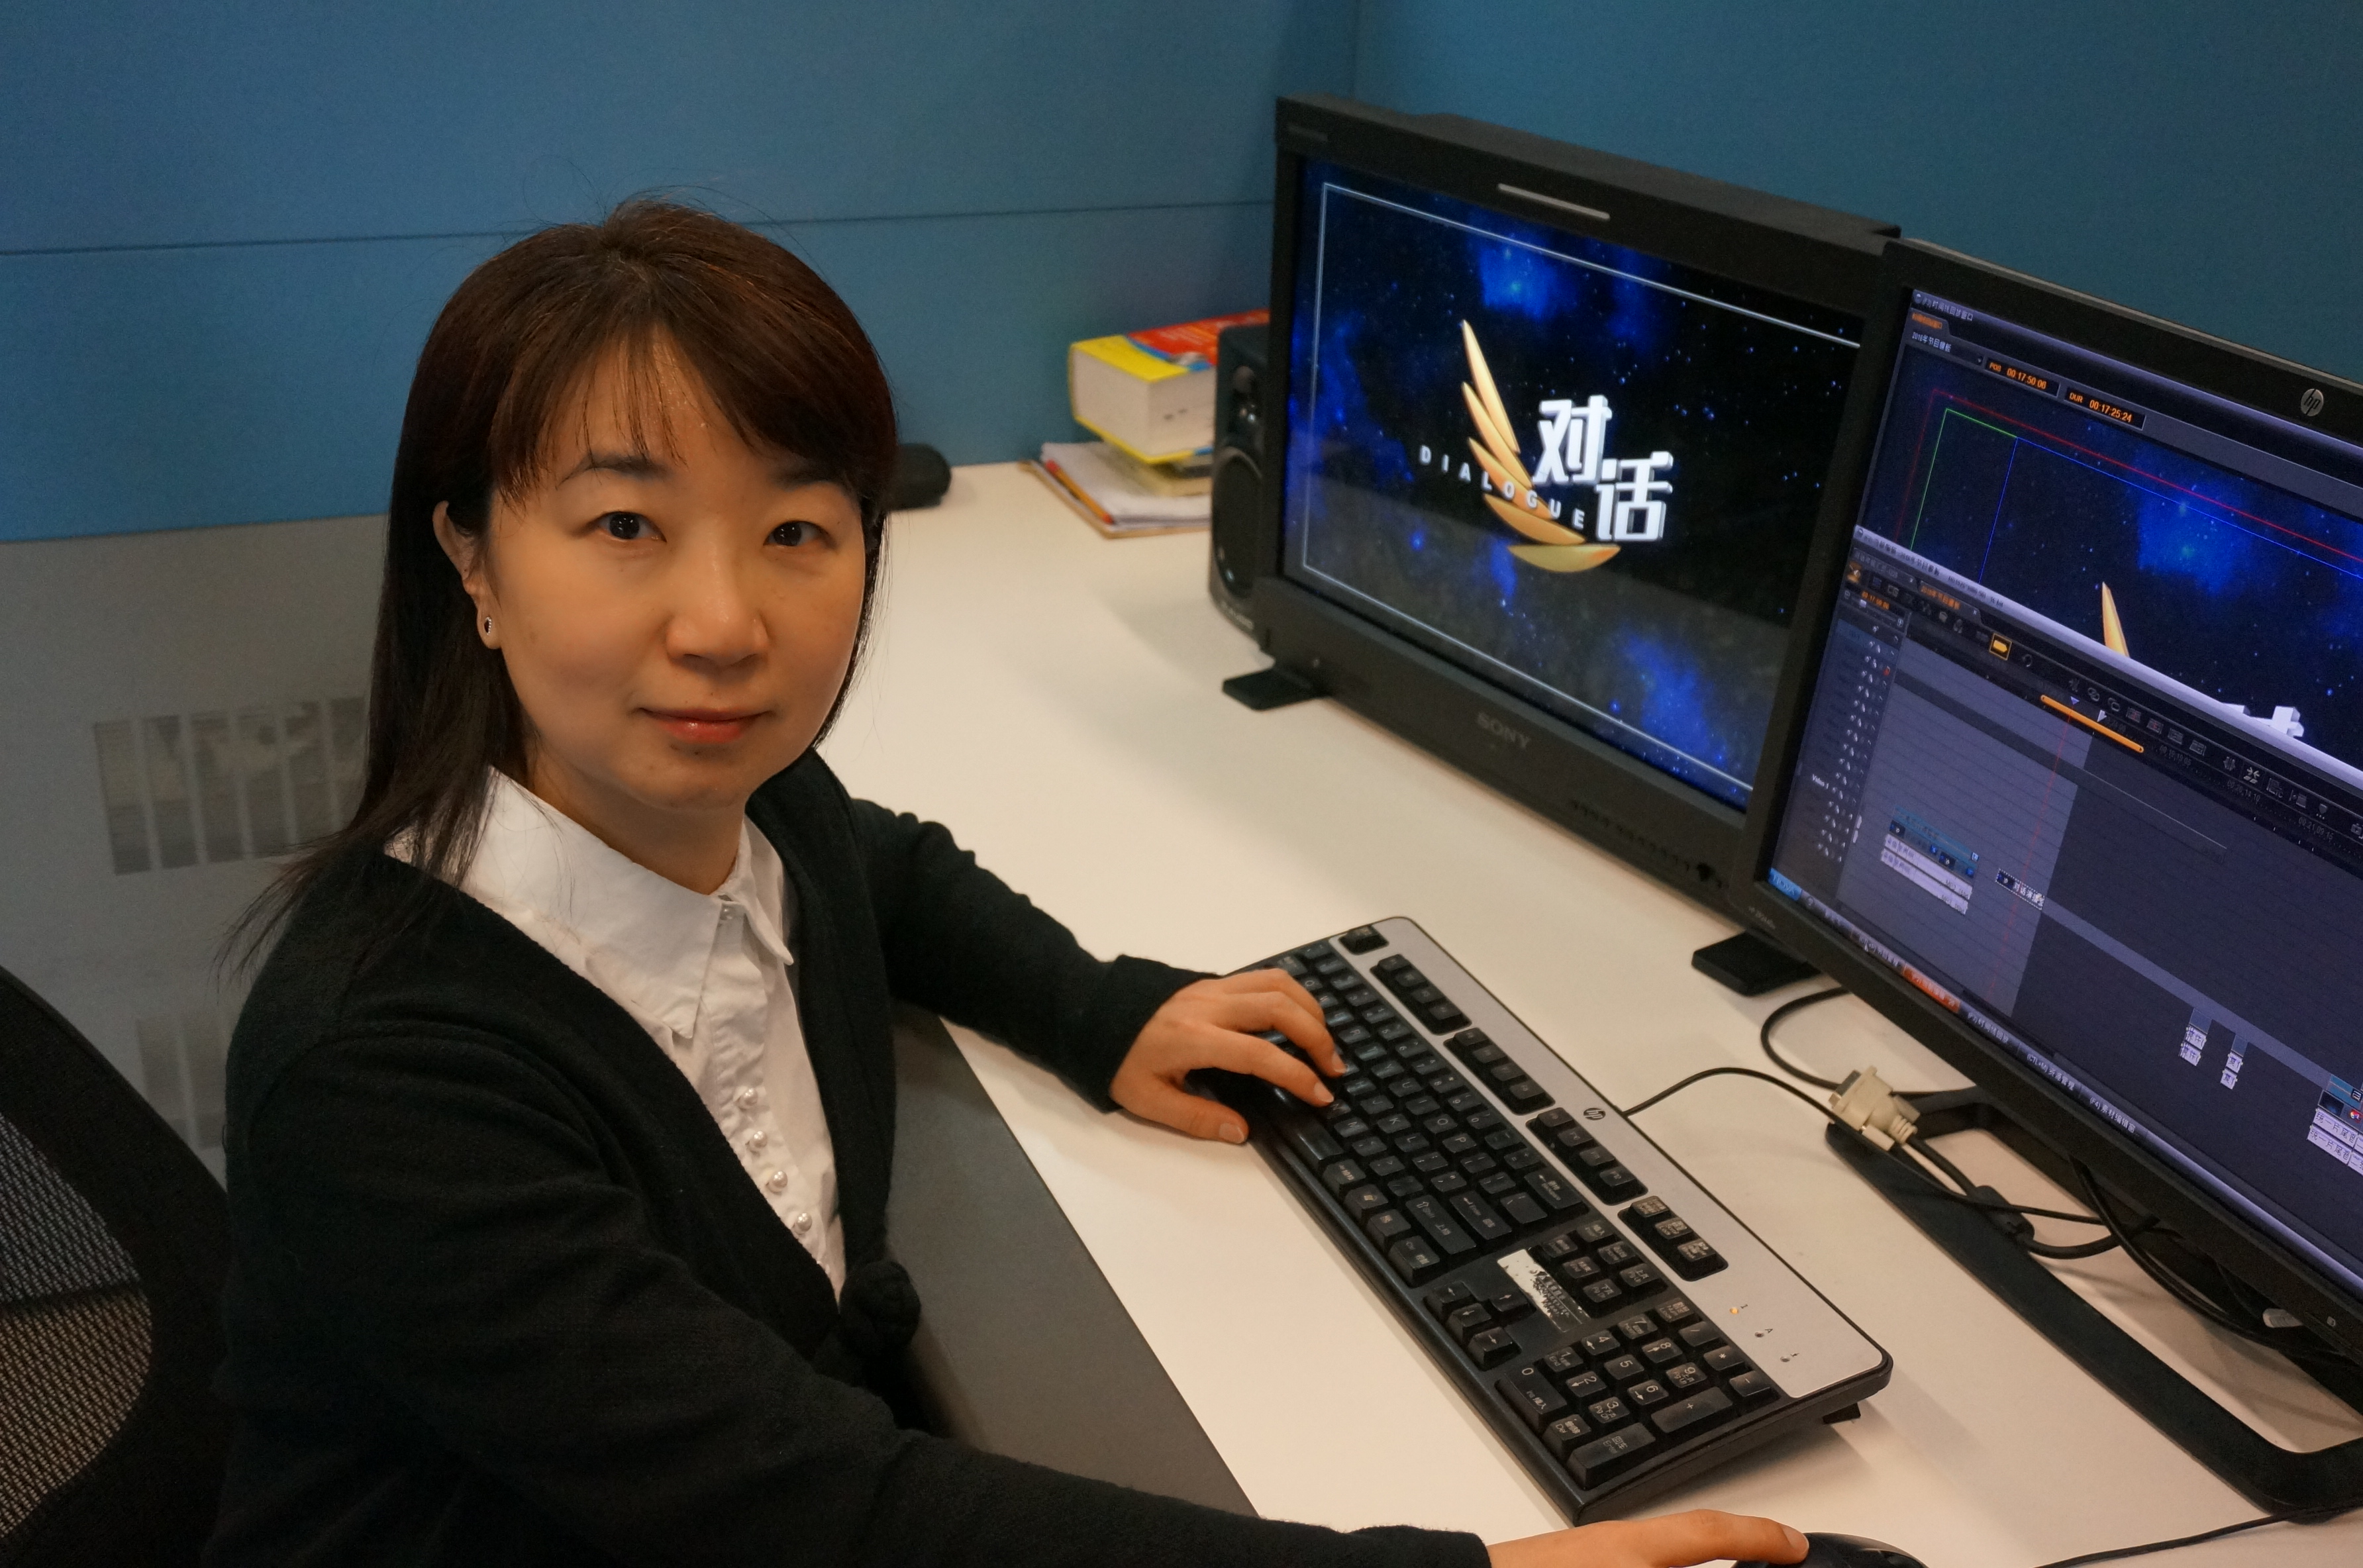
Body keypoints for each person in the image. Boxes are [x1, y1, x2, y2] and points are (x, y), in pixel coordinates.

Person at [209, 200, 1810, 1568]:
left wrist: (1097, 1010)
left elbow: (883, 871)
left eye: (795, 530)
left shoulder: (754, 815)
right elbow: (819, 1512)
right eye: (624, 522)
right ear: (471, 558)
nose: (723, 624)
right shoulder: (386, 1075)